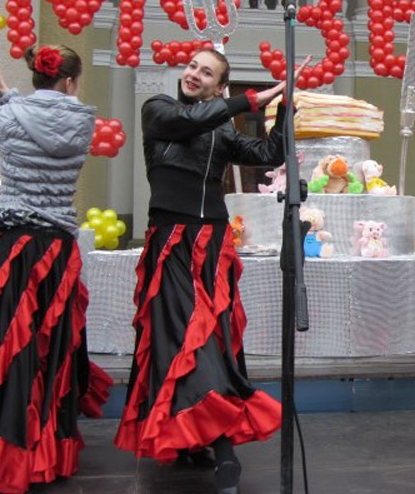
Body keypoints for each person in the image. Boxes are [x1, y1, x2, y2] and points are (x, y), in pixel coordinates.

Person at [114, 48, 309, 494]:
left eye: (206, 72)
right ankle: (221, 447)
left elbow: (268, 150)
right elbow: (187, 123)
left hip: (213, 247)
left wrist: (285, 106)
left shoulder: (221, 126)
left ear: (219, 86)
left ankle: (194, 438)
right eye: (192, 67)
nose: (193, 74)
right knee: (184, 340)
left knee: (213, 342)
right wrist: (253, 100)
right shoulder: (158, 110)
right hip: (172, 244)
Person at [0, 30, 111, 493]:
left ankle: (6, 449)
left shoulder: (13, 120)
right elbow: (38, 120)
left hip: (15, 250)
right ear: (70, 82)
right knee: (49, 350)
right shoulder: (84, 122)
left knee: (10, 350)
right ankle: (46, 446)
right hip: (56, 251)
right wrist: (3, 83)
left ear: (41, 76)